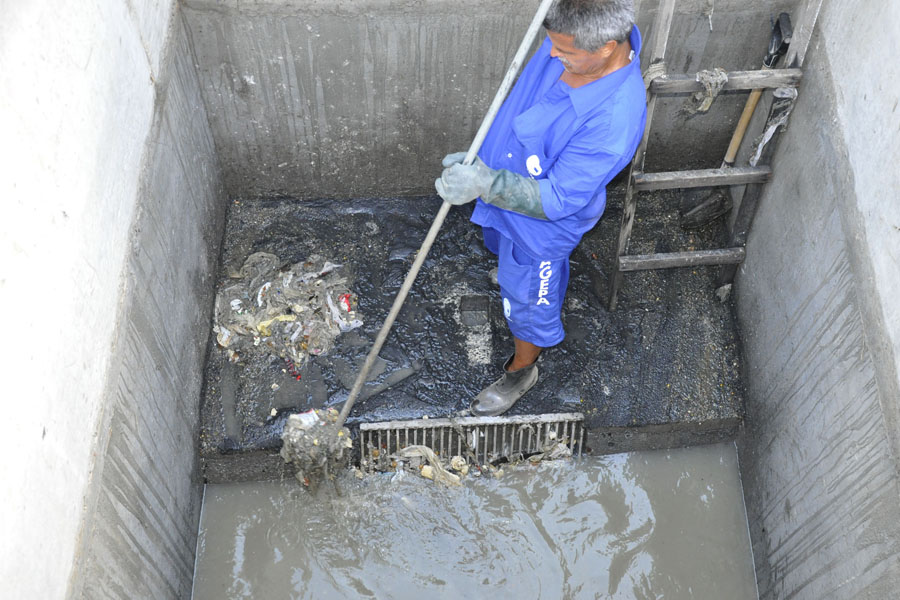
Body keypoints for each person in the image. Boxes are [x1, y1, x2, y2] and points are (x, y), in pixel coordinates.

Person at [435, 0, 647, 416]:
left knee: (529, 299)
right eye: (551, 44)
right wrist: (487, 173)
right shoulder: (576, 38)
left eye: (563, 51)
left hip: (539, 227)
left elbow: (558, 199)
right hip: (504, 184)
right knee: (498, 244)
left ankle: (522, 370)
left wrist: (486, 183)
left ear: (607, 47)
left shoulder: (611, 122)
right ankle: (507, 267)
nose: (552, 55)